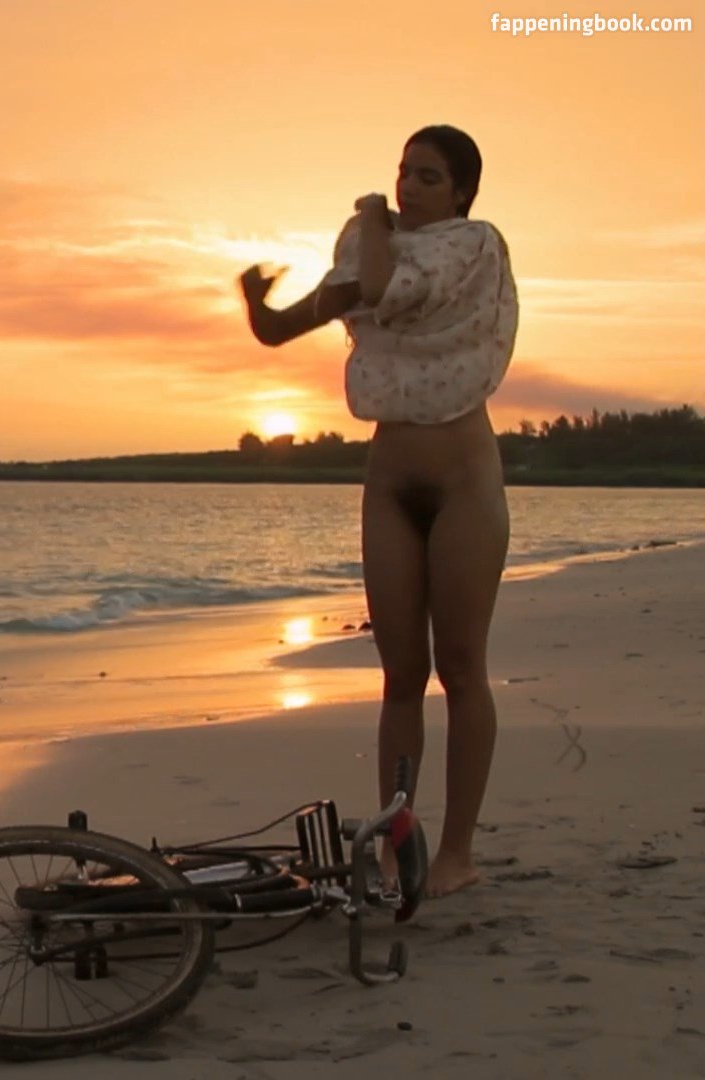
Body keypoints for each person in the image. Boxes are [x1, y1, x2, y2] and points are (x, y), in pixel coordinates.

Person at [237, 125, 520, 899]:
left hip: (464, 481)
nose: (407, 187)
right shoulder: (374, 247)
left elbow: (386, 290)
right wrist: (258, 301)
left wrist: (367, 215)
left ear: (461, 191)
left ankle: (457, 852)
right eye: (403, 172)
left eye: (428, 176)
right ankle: (398, 848)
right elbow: (288, 325)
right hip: (389, 481)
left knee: (460, 666)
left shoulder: (474, 245)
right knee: (401, 673)